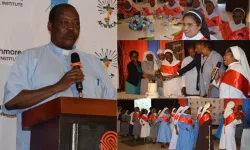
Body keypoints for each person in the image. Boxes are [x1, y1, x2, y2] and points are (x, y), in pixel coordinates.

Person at [2, 4, 116, 150]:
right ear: (50, 26)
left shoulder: (94, 63)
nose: (71, 28)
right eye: (64, 22)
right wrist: (57, 87)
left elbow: (111, 107)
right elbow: (11, 102)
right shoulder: (30, 58)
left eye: (76, 23)